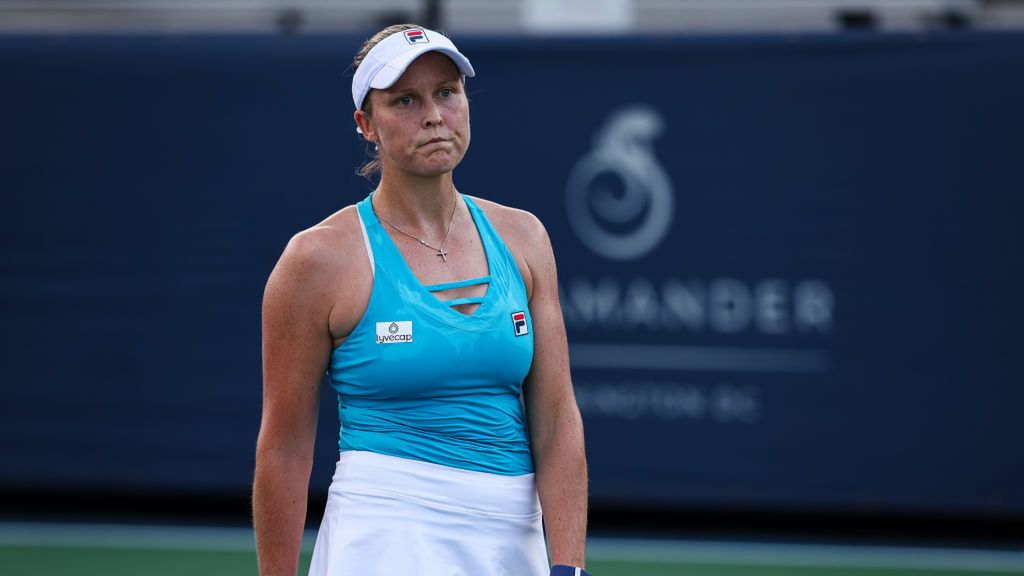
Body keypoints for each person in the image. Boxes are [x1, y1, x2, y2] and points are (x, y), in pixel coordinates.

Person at [252, 24, 589, 576]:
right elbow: (284, 447)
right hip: (384, 534)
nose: (433, 115)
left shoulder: (526, 237)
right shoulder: (316, 261)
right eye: (405, 100)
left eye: (446, 93)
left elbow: (556, 419)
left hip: (511, 537)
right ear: (366, 125)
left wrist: (569, 566)